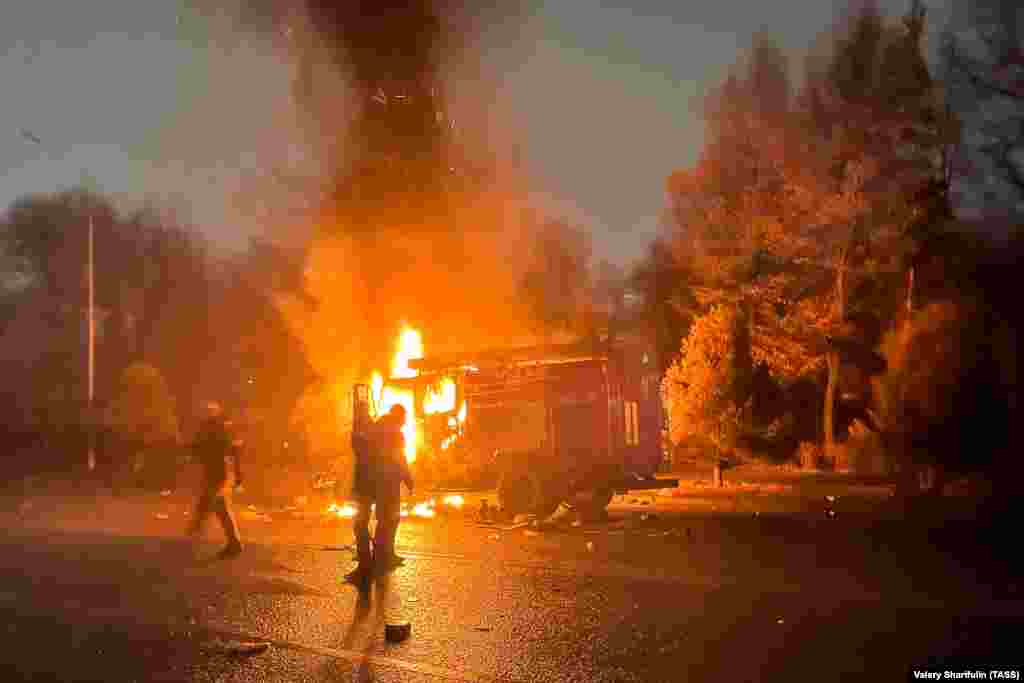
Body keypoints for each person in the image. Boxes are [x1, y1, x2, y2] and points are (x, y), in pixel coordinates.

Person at [346, 404, 414, 583]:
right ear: (398, 416)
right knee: (386, 520)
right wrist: (407, 477)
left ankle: (377, 558)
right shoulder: (392, 432)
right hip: (386, 481)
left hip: (374, 483)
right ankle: (379, 558)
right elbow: (398, 457)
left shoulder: (373, 428)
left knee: (377, 521)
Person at [187, 400, 243, 559]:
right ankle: (233, 543)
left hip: (218, 472)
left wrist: (238, 473)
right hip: (218, 471)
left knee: (211, 504)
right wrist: (238, 474)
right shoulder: (220, 427)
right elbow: (234, 450)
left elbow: (200, 448)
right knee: (220, 507)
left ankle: (195, 537)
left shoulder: (215, 428)